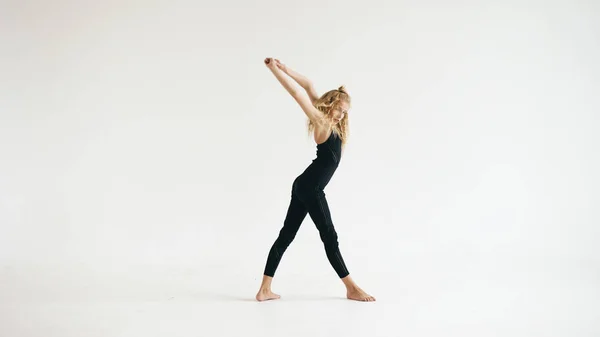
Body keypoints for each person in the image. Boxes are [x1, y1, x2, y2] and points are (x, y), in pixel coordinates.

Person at [256, 57, 375, 302]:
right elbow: (299, 93)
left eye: (345, 112)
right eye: (339, 110)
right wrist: (274, 70)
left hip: (303, 185)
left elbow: (309, 86)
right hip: (310, 188)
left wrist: (287, 67)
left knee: (287, 235)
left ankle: (265, 289)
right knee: (329, 235)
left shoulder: (334, 122)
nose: (342, 116)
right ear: (329, 105)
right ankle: (351, 287)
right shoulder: (321, 121)